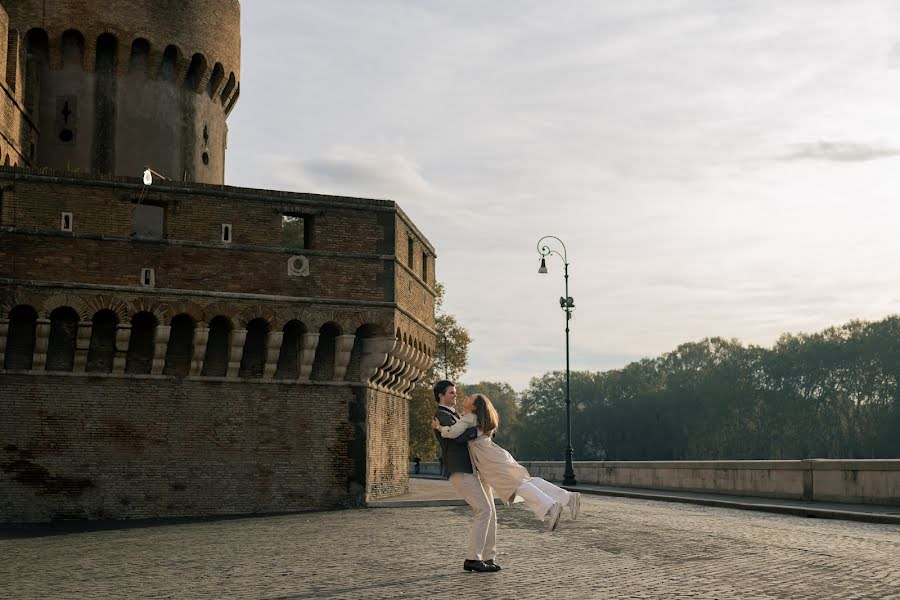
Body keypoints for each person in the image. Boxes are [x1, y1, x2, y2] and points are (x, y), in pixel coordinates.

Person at [433, 392, 581, 532]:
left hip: (490, 459)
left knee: (517, 485)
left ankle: (550, 507)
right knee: (524, 481)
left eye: (470, 397)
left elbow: (452, 433)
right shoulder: (476, 419)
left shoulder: (469, 418)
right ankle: (567, 497)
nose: (465, 396)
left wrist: (439, 427)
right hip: (496, 454)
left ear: (474, 407)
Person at [432, 380, 501, 573]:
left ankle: (488, 556)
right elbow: (460, 437)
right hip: (460, 469)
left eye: (455, 392)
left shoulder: (457, 416)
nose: (455, 395)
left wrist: (477, 428)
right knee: (484, 510)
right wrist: (480, 428)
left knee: (491, 511)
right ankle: (473, 558)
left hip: (473, 469)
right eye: (451, 392)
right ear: (441, 396)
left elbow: (467, 433)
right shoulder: (441, 416)